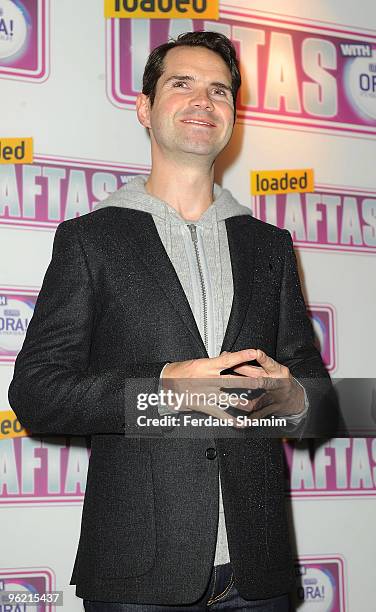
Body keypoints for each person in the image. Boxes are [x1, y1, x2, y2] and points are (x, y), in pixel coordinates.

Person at [8, 31, 334, 611]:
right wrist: (162, 389)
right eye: (181, 84)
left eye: (220, 90)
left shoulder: (270, 247)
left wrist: (293, 399)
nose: (203, 101)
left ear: (233, 114)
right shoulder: (91, 240)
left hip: (257, 573)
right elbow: (37, 393)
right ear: (144, 107)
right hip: (138, 574)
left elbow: (316, 390)